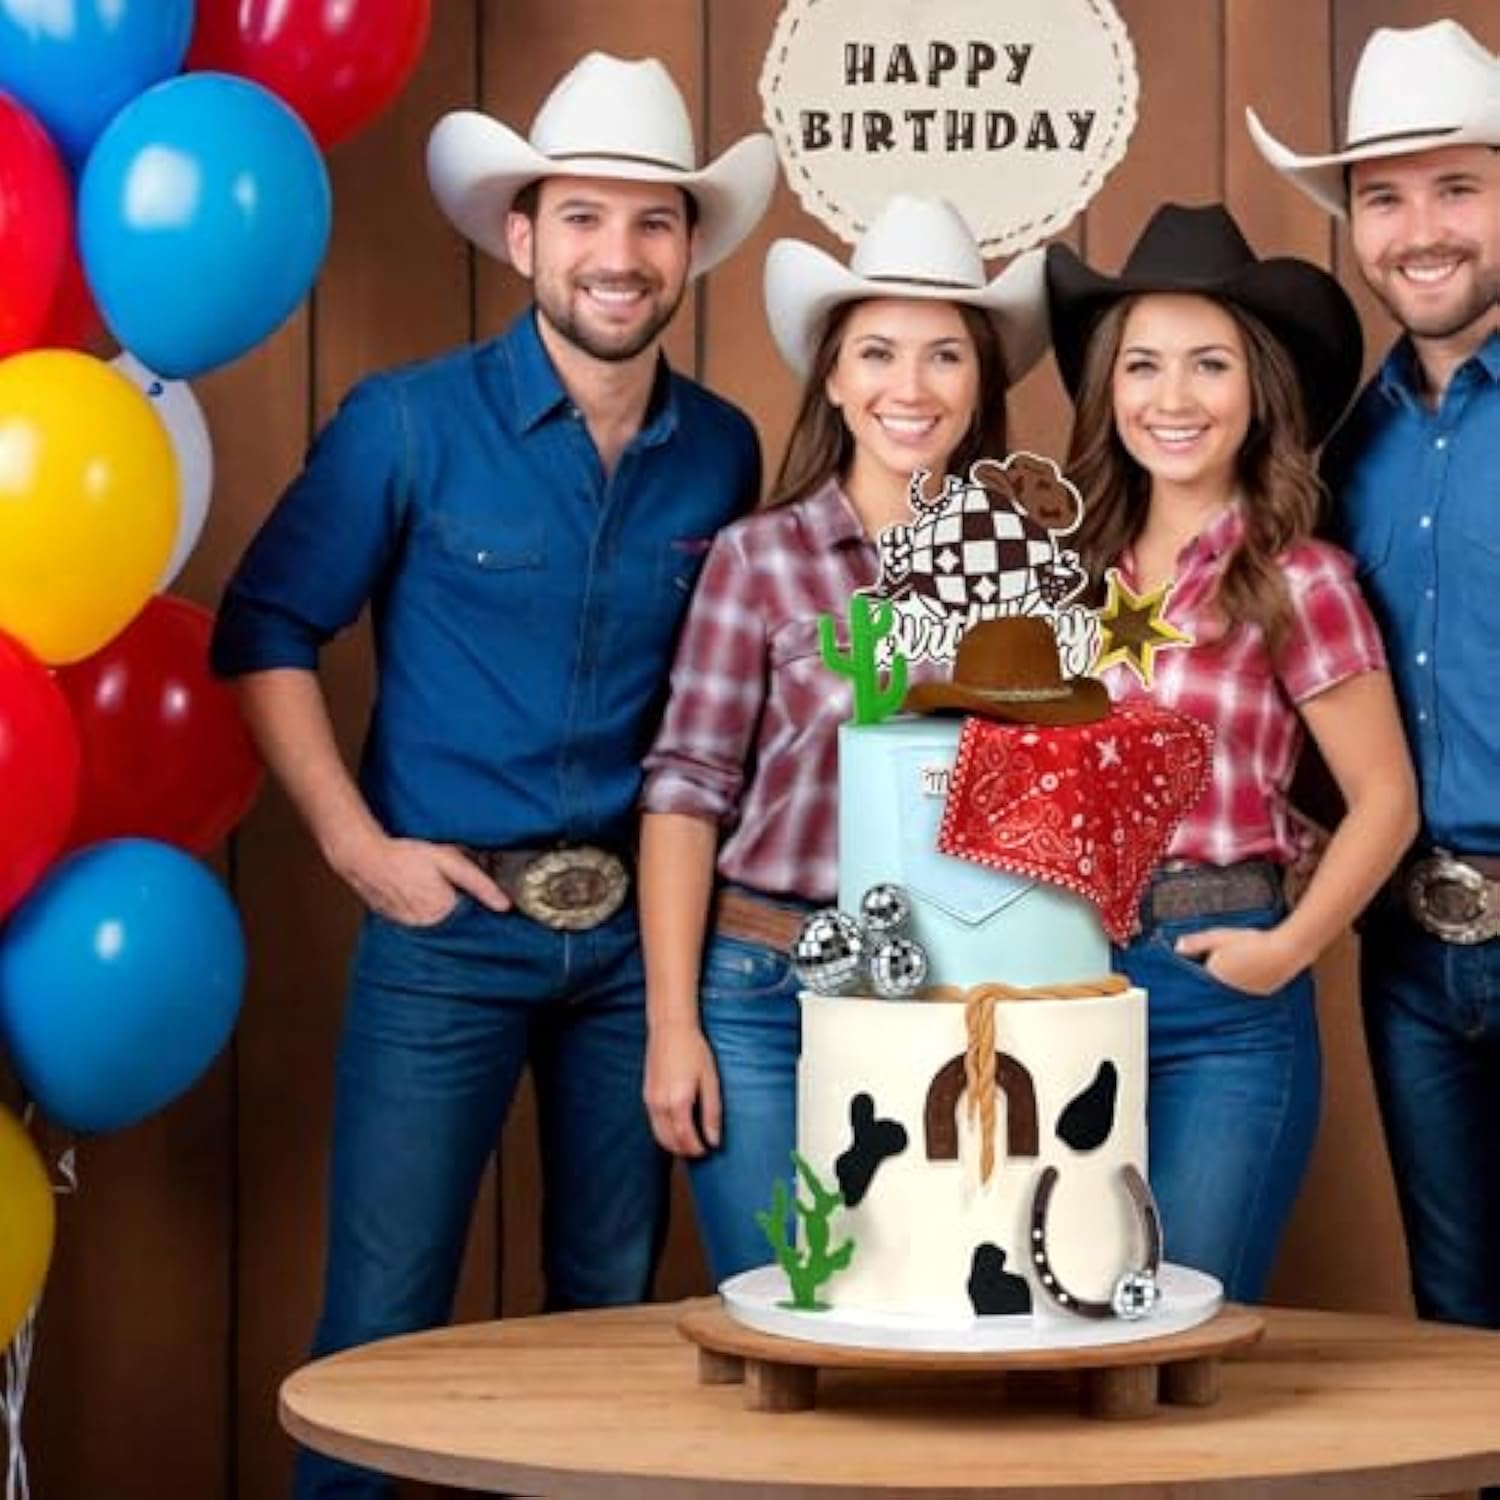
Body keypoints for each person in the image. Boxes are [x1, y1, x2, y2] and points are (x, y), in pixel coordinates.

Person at [210, 51, 775, 1499]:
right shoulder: (407, 423)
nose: (618, 254)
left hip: (638, 953)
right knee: (380, 1325)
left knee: (610, 1320)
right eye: (583, 217)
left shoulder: (722, 450)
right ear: (522, 238)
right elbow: (264, 629)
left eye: (652, 222)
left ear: (689, 250)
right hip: (445, 937)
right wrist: (359, 851)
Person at [637, 195, 1048, 1281]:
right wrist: (673, 1025)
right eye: (877, 353)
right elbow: (685, 791)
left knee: (932, 1303)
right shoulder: (758, 559)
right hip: (764, 987)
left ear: (982, 382)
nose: (910, 388)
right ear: (830, 377)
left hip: (956, 993)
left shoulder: (1028, 577)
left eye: (944, 355)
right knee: (792, 1295)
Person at [1045, 202, 1418, 1302]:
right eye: (1144, 365)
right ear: (1108, 389)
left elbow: (1386, 797)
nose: (1173, 399)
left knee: (1179, 1316)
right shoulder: (1065, 574)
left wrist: (1288, 948)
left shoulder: (1298, 578)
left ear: (1258, 388)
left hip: (1223, 993)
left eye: (1209, 365)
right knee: (1057, 1320)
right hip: (1063, 986)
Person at [1250, 19, 1499, 1337]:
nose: (1421, 232)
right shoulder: (1342, 451)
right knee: (1458, 1315)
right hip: (1413, 949)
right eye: (1385, 199)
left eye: (1458, 188)